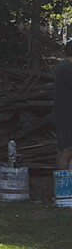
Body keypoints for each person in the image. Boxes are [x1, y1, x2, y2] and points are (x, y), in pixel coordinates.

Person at [54, 40, 72, 170]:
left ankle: (59, 185)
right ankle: (62, 186)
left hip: (62, 113)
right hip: (66, 115)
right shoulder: (67, 68)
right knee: (67, 150)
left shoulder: (63, 66)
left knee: (62, 150)